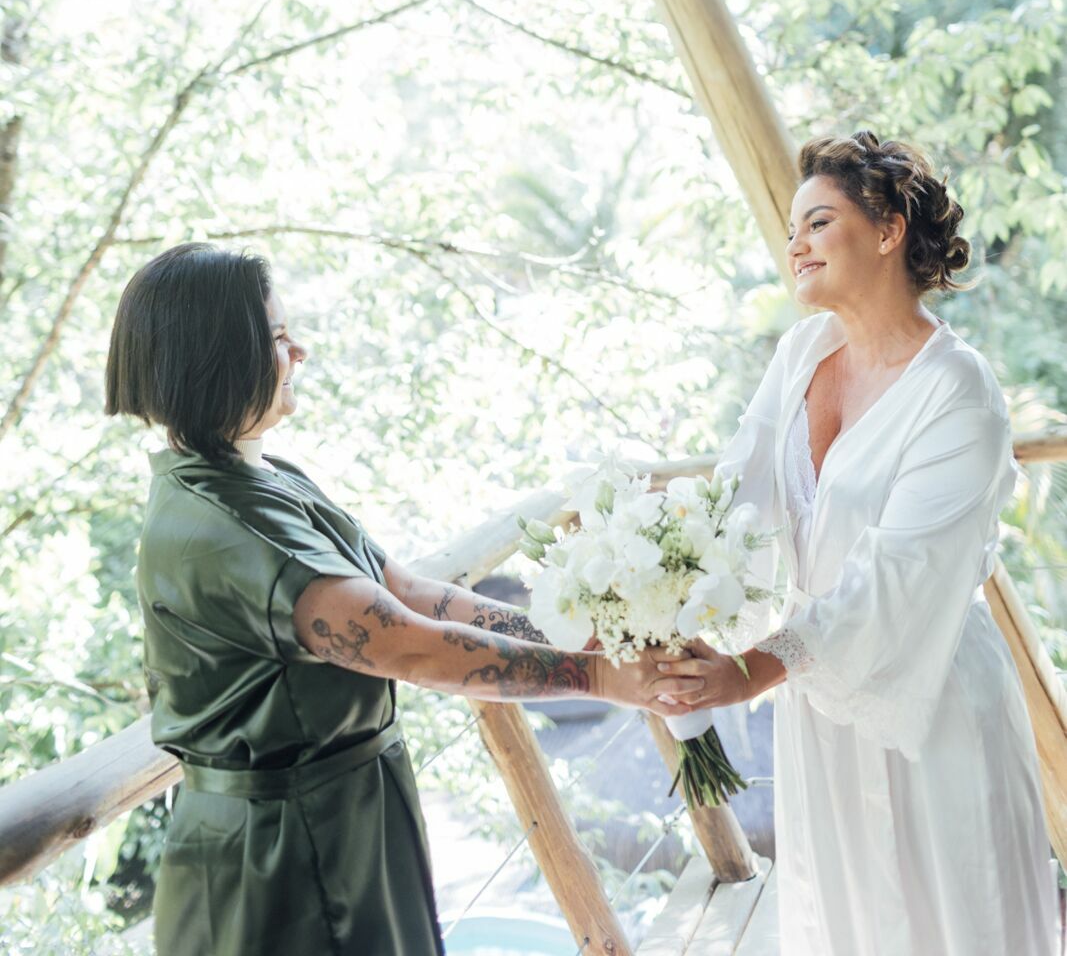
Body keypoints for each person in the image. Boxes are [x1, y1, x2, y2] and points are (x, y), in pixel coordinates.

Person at [107, 243, 706, 956]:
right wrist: (601, 677)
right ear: (218, 355)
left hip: (341, 817)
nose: (299, 351)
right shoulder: (225, 528)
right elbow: (405, 644)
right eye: (276, 336)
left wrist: (580, 636)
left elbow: (410, 592)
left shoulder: (262, 475)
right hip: (278, 854)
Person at [656, 130, 1057, 956]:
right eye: (791, 229)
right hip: (816, 692)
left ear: (887, 231)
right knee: (846, 918)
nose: (794, 245)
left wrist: (750, 671)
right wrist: (669, 595)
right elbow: (736, 494)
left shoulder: (956, 391)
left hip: (927, 690)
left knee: (948, 915)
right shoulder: (802, 350)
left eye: (818, 222)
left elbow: (898, 576)